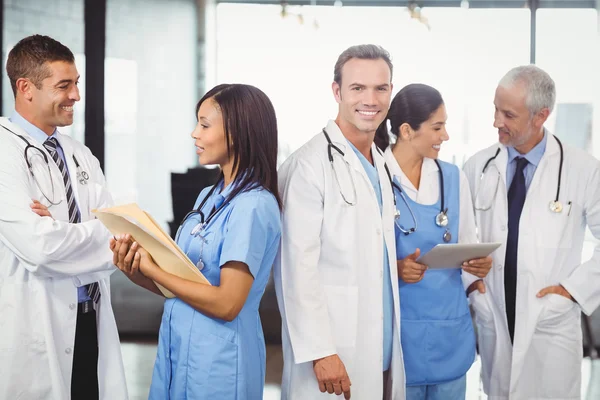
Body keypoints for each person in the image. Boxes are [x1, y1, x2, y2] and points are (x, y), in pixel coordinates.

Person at [111, 83, 282, 399]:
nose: (194, 133)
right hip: (179, 352)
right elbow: (178, 287)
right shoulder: (208, 198)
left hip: (221, 364)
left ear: (238, 131)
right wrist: (135, 269)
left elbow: (228, 303)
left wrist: (154, 270)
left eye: (204, 124)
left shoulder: (254, 206)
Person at [274, 44, 405, 400]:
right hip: (331, 353)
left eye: (381, 88)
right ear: (337, 91)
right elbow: (296, 267)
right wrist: (320, 351)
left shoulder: (380, 161)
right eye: (358, 88)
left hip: (377, 347)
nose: (371, 99)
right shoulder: (309, 165)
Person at [0, 35, 127, 399]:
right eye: (64, 85)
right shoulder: (3, 151)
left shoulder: (80, 154)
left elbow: (118, 236)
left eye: (77, 83)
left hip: (90, 321)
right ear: (26, 88)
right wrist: (91, 233)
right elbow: (40, 247)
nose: (76, 96)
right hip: (33, 326)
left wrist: (62, 231)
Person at [463, 65, 600, 399]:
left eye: (508, 114)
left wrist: (571, 292)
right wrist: (473, 285)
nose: (497, 121)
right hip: (493, 309)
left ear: (541, 116)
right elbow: (461, 236)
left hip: (549, 318)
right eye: (495, 109)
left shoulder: (582, 169)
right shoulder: (478, 166)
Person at [375, 84, 492, 400]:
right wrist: (395, 268)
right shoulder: (374, 177)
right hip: (399, 336)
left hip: (448, 333)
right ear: (406, 131)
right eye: (437, 127)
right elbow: (356, 257)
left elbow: (468, 245)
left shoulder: (452, 178)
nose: (446, 136)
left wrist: (477, 269)